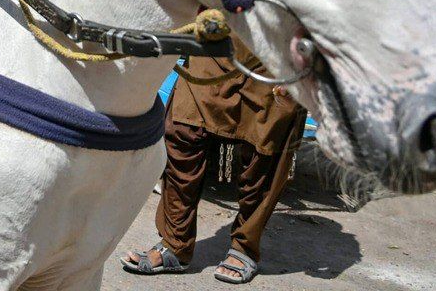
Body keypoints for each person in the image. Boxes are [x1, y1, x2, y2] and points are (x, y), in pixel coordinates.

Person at [120, 35, 307, 284]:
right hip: (217, 41)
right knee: (182, 130)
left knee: (263, 152)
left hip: (276, 54)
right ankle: (175, 244)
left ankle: (244, 247)